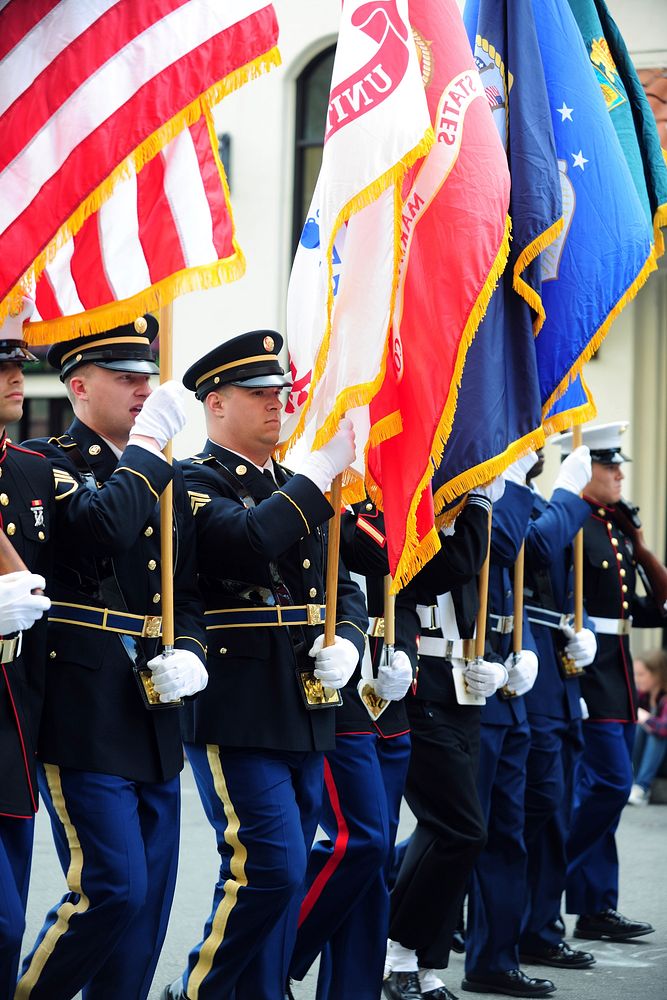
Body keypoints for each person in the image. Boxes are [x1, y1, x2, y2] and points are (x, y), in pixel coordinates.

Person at [164, 331, 367, 1000]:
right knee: (269, 869)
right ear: (214, 404)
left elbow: (346, 586)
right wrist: (315, 477)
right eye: (258, 395)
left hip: (306, 703)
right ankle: (201, 989)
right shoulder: (192, 479)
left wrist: (347, 640)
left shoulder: (293, 484)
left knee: (281, 877)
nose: (277, 405)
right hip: (238, 702)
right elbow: (245, 542)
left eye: (279, 393)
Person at [16, 317, 208, 1000]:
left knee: (148, 904)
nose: (143, 390)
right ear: (78, 386)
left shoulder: (166, 476)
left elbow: (185, 591)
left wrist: (190, 650)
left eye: (147, 378)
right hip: (86, 706)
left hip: (154, 707)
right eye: (126, 379)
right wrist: (150, 449)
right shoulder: (49, 463)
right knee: (111, 889)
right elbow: (99, 533)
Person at [383, 481, 508, 1000]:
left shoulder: (466, 513)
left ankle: (422, 963)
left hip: (464, 680)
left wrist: (498, 662)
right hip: (422, 682)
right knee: (462, 828)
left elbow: (490, 577)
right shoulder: (413, 507)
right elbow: (456, 563)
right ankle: (395, 950)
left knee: (443, 829)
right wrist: (476, 502)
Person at [288, 499, 413, 1000]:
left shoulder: (394, 492)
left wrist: (402, 646)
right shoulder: (325, 486)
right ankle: (262, 957)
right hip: (332, 687)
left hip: (385, 696)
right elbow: (377, 557)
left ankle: (352, 991)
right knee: (359, 841)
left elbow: (409, 578)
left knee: (374, 862)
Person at [558, 422, 666, 942]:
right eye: (608, 465)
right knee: (610, 783)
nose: (619, 472)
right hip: (587, 671)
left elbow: (644, 608)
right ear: (584, 470)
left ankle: (596, 905)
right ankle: (542, 874)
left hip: (618, 669)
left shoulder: (615, 526)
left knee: (601, 786)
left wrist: (644, 550)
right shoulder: (571, 522)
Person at [463, 454, 556, 999]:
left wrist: (522, 651)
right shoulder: (480, 491)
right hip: (470, 681)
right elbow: (499, 546)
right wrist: (513, 480)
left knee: (506, 834)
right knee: (460, 832)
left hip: (507, 676)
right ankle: (402, 895)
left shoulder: (510, 495)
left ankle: (494, 958)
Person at [517, 445, 598, 970]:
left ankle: (541, 927)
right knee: (529, 811)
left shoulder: (540, 504)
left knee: (554, 813)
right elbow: (539, 550)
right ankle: (407, 881)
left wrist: (584, 627)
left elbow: (564, 590)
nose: (541, 445)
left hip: (561, 685)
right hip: (529, 685)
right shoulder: (518, 510)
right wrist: (571, 493)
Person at [0, 295, 53, 997]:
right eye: (2, 366)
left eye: (18, 362)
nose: (17, 375)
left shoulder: (30, 472)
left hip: (17, 728)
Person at [628, 650, 667, 805]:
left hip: (662, 754)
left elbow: (664, 729)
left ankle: (641, 787)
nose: (636, 679)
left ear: (657, 675)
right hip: (649, 756)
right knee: (640, 727)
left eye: (641, 674)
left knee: (655, 732)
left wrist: (646, 718)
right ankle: (636, 783)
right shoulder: (642, 695)